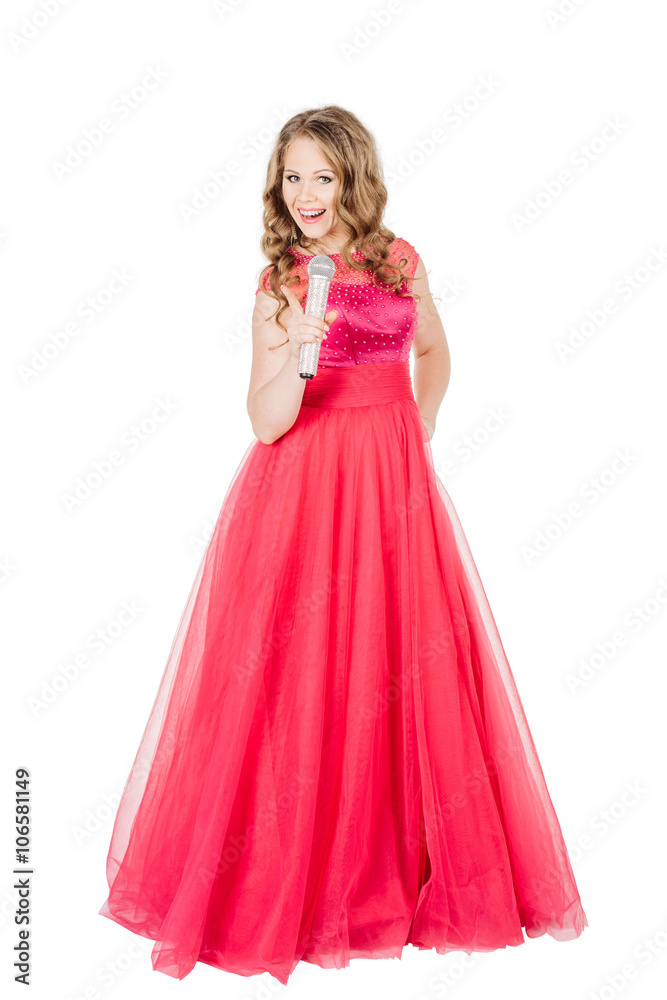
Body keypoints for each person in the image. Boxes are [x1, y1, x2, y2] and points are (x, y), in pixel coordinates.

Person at [98, 105, 588, 985]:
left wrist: (423, 417)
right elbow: (265, 419)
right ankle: (283, 885)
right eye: (292, 176)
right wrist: (295, 351)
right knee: (302, 676)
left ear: (354, 179)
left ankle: (393, 878)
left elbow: (433, 350)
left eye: (321, 175)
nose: (306, 193)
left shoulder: (400, 261)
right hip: (301, 496)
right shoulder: (279, 282)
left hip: (393, 491)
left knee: (404, 667)